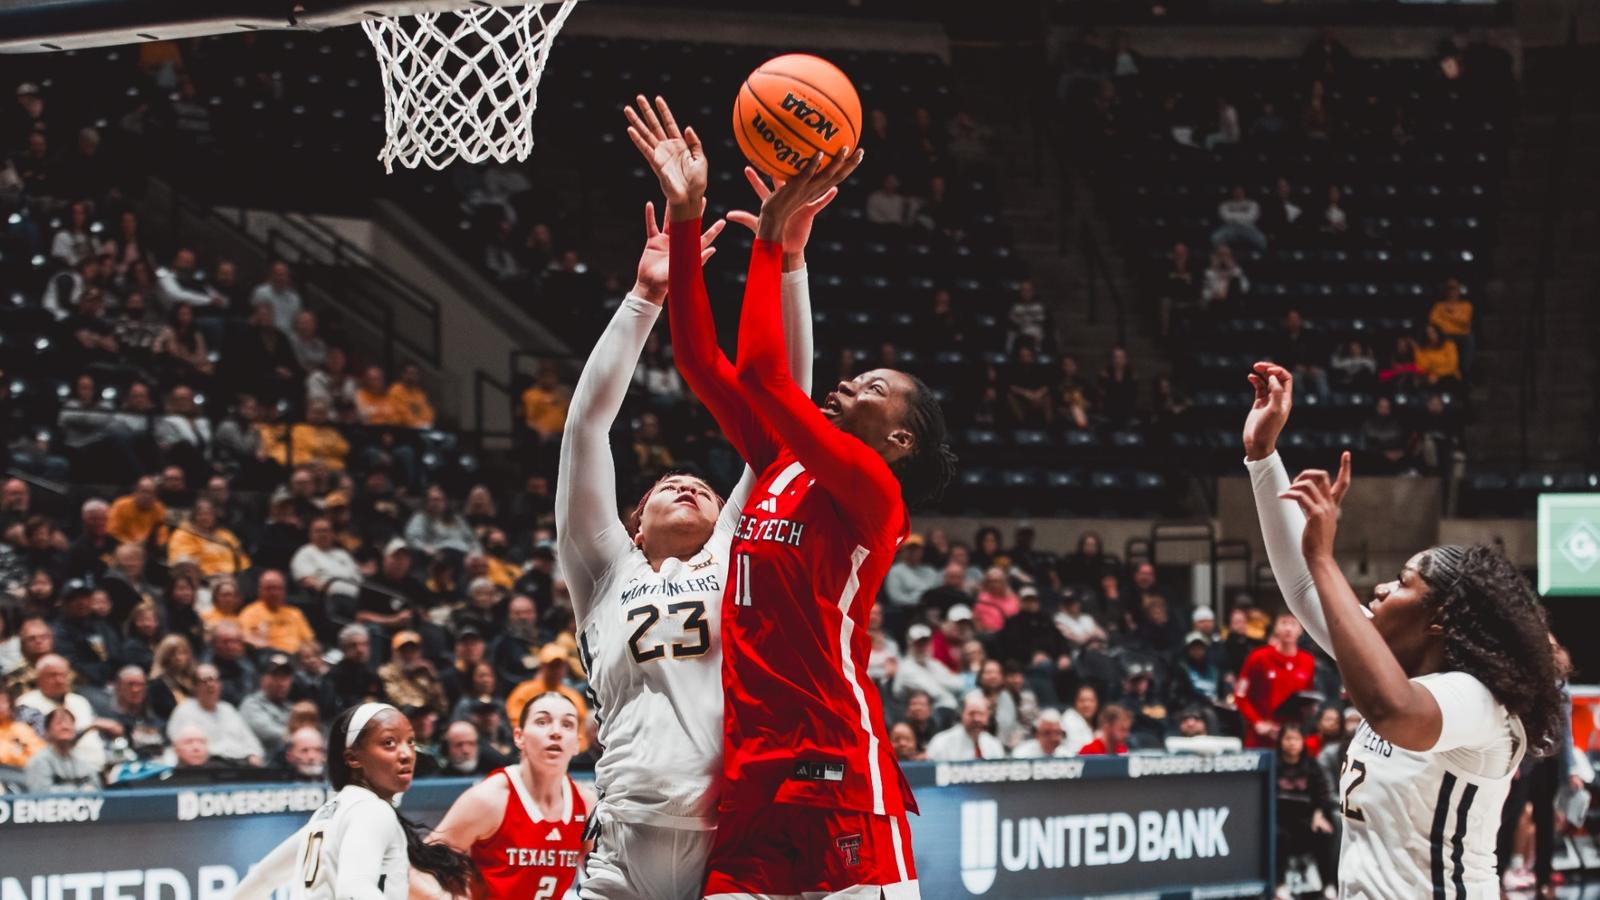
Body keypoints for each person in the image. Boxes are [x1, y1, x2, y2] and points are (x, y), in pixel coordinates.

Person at [636, 94, 948, 897]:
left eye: (873, 385)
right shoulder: (779, 462)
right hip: (750, 766)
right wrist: (684, 217)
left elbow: (773, 376)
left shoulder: (873, 493)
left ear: (899, 439)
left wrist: (774, 242)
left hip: (836, 765)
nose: (847, 381)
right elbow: (704, 362)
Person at [553, 133, 815, 900]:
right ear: (631, 525)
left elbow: (787, 415)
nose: (690, 485)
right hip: (622, 839)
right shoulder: (604, 571)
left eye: (704, 483)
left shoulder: (736, 546)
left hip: (728, 836)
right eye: (668, 483)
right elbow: (585, 428)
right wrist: (646, 300)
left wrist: (790, 263)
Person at [1244, 361, 1564, 898]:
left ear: (1438, 619)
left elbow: (1392, 711)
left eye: (1402, 583)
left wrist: (1325, 557)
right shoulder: (1395, 671)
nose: (1381, 591)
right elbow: (1304, 590)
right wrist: (1262, 456)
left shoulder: (1480, 703)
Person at [231, 703, 475, 900]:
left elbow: (263, 877)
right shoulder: (371, 811)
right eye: (389, 743)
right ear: (352, 758)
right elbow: (355, 890)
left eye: (410, 741)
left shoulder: (329, 812)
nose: (406, 753)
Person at [427, 693, 593, 900]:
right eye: (542, 722)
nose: (556, 732)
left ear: (578, 744)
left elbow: (604, 875)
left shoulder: (586, 804)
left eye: (567, 724)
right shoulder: (488, 799)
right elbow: (419, 870)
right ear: (519, 737)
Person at [1235, 611, 1317, 750]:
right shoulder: (1258, 657)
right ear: (1276, 628)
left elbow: (1308, 694)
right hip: (1262, 738)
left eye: (1292, 624)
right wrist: (1257, 723)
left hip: (1292, 739)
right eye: (1284, 623)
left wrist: (1311, 709)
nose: (1288, 629)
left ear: (1301, 629)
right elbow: (1240, 695)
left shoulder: (1308, 661)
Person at [165, 663, 264, 764]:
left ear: (220, 684)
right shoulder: (184, 711)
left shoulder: (228, 709)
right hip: (207, 766)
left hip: (239, 764)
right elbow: (178, 747)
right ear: (195, 686)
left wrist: (254, 754)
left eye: (214, 680)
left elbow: (251, 742)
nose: (210, 684)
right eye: (204, 681)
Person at [24, 707, 102, 794]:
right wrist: (80, 791)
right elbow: (40, 793)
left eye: (69, 723)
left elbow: (97, 790)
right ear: (47, 731)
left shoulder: (83, 759)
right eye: (59, 723)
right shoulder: (39, 760)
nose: (65, 727)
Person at [926, 690, 1006, 761]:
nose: (977, 719)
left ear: (988, 717)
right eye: (972, 713)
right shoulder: (941, 742)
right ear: (961, 714)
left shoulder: (994, 744)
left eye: (981, 714)